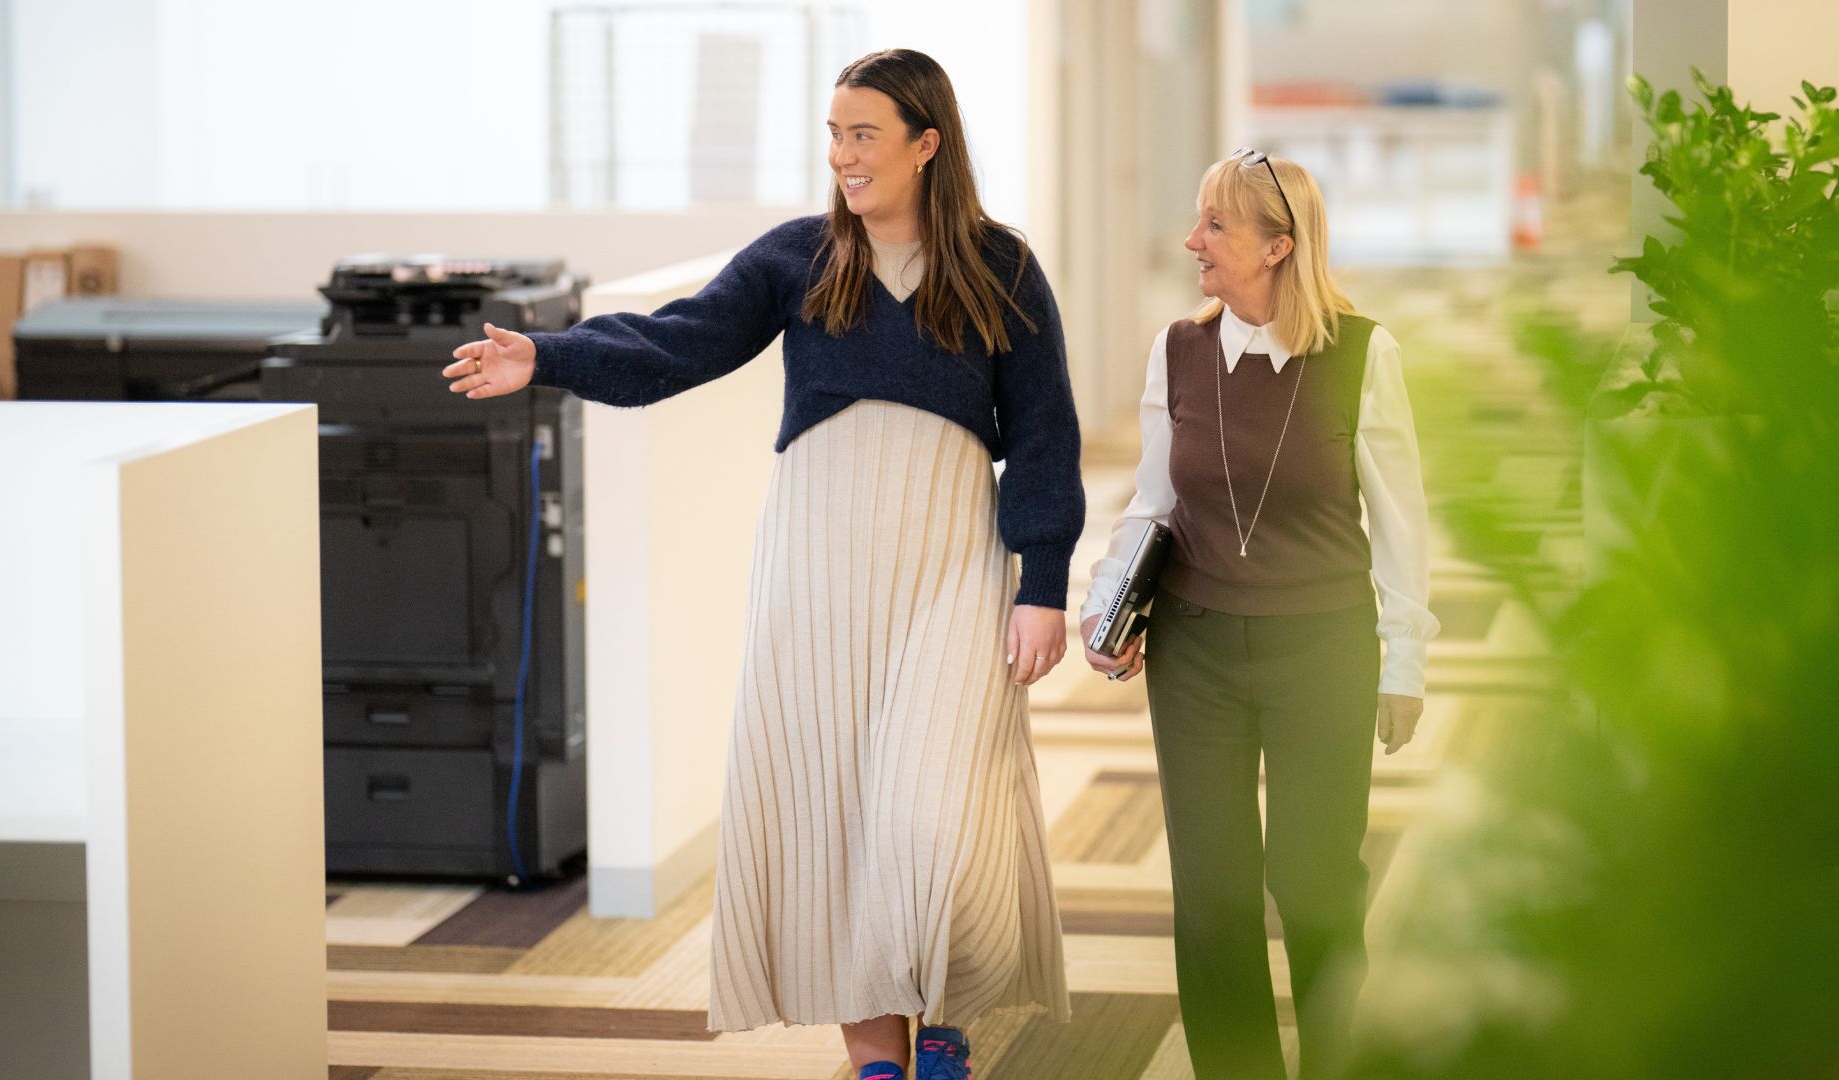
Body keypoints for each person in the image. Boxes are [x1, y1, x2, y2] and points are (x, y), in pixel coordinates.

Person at [444, 48, 1080, 1080]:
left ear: (927, 144)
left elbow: (1045, 432)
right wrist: (545, 356)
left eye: (862, 134)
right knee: (829, 805)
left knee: (940, 810)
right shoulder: (798, 258)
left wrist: (1043, 582)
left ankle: (947, 1004)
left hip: (951, 561)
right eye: (832, 133)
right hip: (817, 565)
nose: (842, 155)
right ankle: (880, 1055)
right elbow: (675, 345)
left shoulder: (1000, 267)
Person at [1078, 148, 1438, 1080]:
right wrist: (1106, 606)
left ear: (1279, 246)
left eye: (1215, 226)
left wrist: (1404, 664)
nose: (1192, 240)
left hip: (1323, 650)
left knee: (1314, 887)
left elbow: (1402, 525)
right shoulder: (1179, 351)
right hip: (1196, 648)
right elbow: (1152, 501)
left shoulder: (1364, 355)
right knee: (1214, 894)